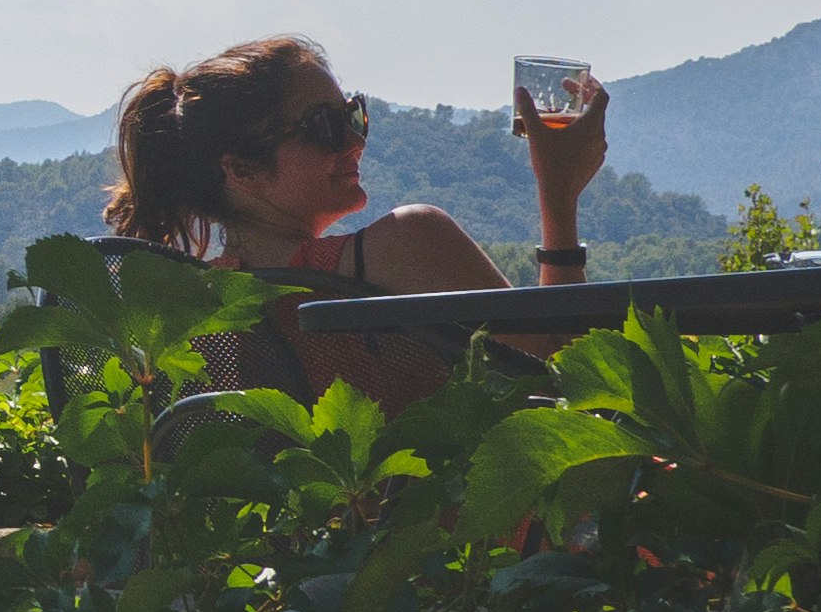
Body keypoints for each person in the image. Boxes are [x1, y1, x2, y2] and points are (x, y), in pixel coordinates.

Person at [102, 35, 610, 408]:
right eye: (324, 127)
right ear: (242, 170)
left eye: (353, 115)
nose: (355, 141)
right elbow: (568, 382)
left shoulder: (192, 314)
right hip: (494, 543)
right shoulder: (407, 243)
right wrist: (558, 194)